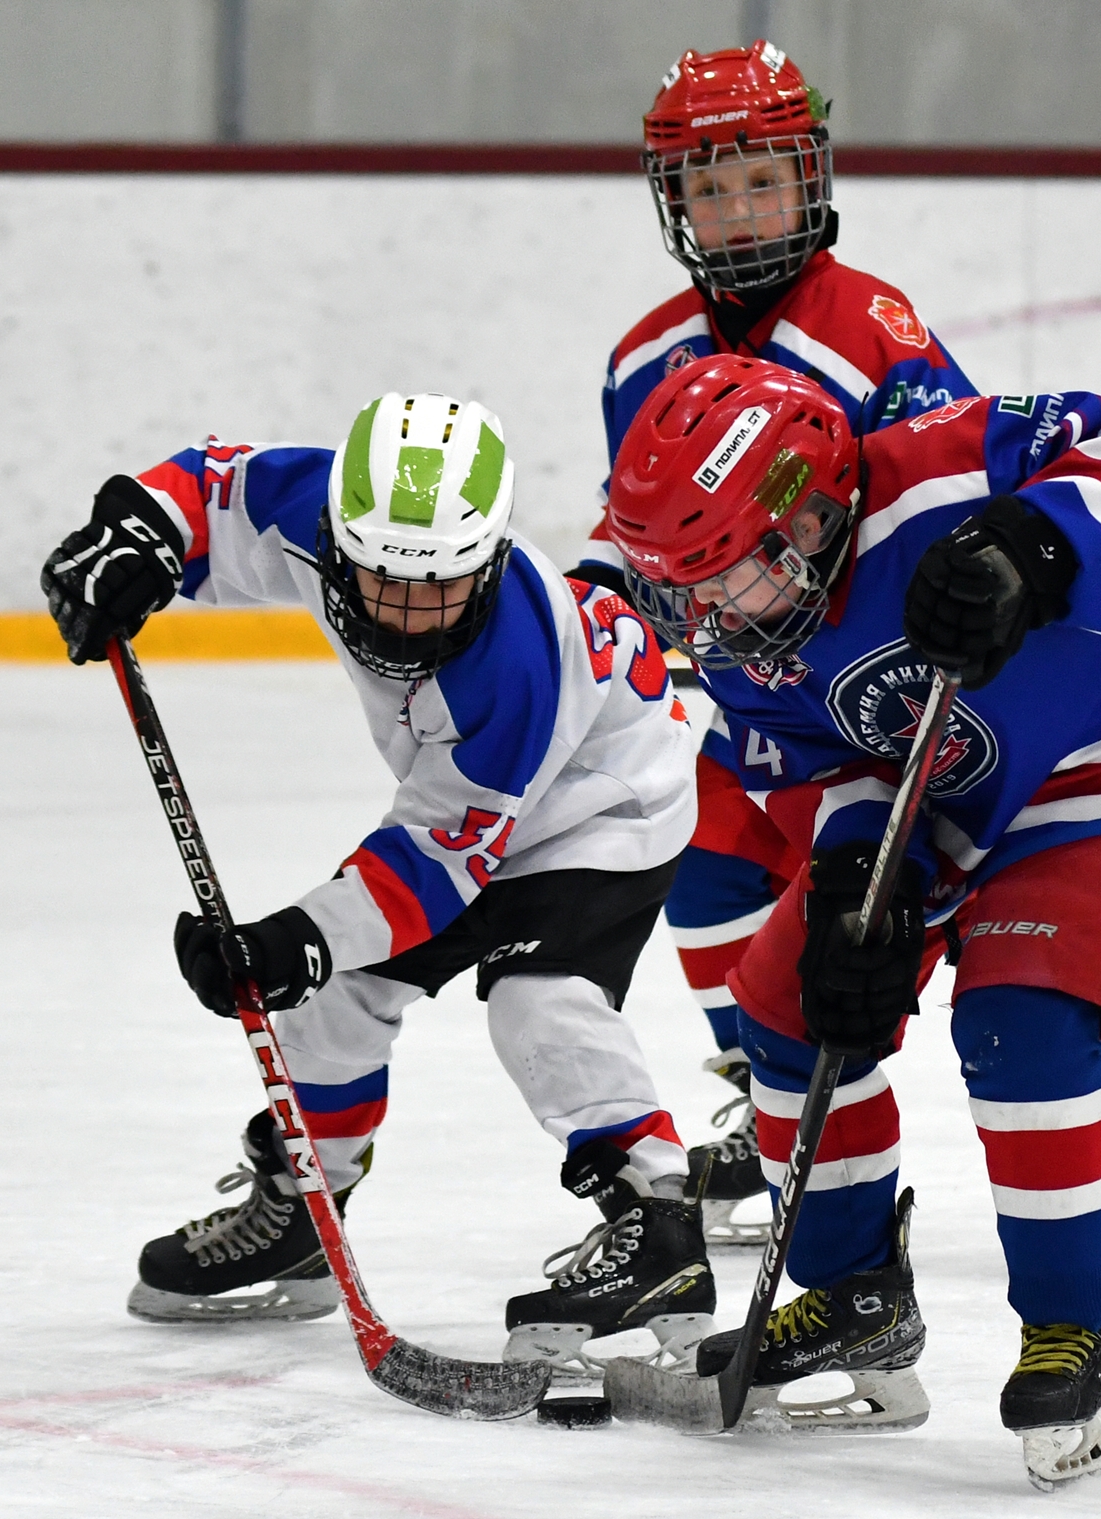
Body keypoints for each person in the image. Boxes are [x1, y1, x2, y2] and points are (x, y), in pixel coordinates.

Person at [574, 39, 1101, 1277]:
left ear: (809, 175)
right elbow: (641, 528)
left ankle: (1097, 1095)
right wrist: (587, 617)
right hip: (766, 680)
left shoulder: (868, 335)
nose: (737, 211)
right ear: (669, 205)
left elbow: (958, 509)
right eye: (707, 188)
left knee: (949, 894)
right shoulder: (643, 360)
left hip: (894, 686)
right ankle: (771, 1095)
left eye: (759, 179)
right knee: (691, 844)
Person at [40, 392, 714, 1381]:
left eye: (436, 589)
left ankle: (659, 1230)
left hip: (604, 805)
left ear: (483, 559)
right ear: (339, 536)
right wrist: (133, 538)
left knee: (539, 1004)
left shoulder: (512, 668)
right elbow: (212, 491)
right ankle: (305, 1213)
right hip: (482, 807)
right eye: (381, 579)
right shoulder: (322, 512)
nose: (401, 613)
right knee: (331, 993)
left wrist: (286, 942)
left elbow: (437, 865)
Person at [604, 355, 1101, 1487]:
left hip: (1088, 782)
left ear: (809, 515)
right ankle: (851, 1299)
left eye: (727, 576)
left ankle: (1067, 1328)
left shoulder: (942, 467)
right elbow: (819, 769)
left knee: (1020, 1026)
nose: (711, 616)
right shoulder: (745, 645)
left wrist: (1034, 543)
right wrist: (851, 871)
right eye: (691, 589)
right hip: (922, 807)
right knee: (787, 1007)